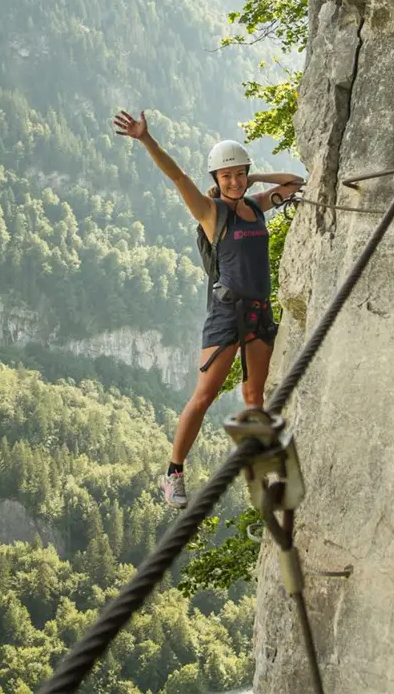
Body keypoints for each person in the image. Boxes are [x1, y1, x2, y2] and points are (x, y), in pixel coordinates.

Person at [112, 110, 304, 508]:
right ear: (215, 180)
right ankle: (174, 473)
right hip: (225, 314)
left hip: (257, 314)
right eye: (226, 175)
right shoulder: (211, 213)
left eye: (239, 174)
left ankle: (264, 476)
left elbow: (295, 182)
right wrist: (147, 140)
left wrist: (256, 179)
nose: (233, 181)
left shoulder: (256, 205)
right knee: (204, 395)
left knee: (255, 397)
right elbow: (178, 177)